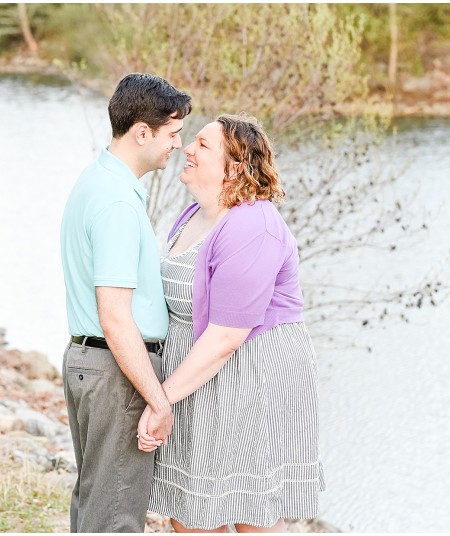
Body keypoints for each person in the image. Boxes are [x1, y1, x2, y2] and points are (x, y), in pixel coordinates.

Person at [137, 113, 325, 533]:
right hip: (200, 379)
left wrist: (161, 398)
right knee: (190, 515)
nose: (187, 147)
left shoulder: (253, 226)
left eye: (202, 145)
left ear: (235, 166)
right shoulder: (191, 215)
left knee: (247, 517)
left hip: (250, 378)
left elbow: (226, 336)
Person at [60, 73, 192, 533]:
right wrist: (159, 401)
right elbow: (115, 317)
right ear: (143, 132)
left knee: (96, 502)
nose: (179, 144)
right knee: (115, 516)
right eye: (173, 133)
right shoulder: (117, 202)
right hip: (117, 371)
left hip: (92, 362)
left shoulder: (97, 180)